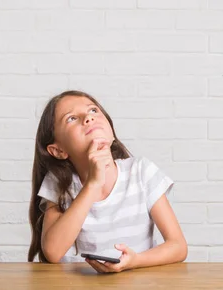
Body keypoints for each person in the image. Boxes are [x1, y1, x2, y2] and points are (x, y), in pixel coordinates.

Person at [27, 90, 187, 273]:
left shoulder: (141, 172)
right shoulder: (58, 183)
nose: (88, 118)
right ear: (58, 150)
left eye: (93, 111)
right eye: (71, 118)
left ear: (110, 128)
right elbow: (53, 253)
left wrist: (135, 260)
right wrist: (92, 185)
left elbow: (178, 247)